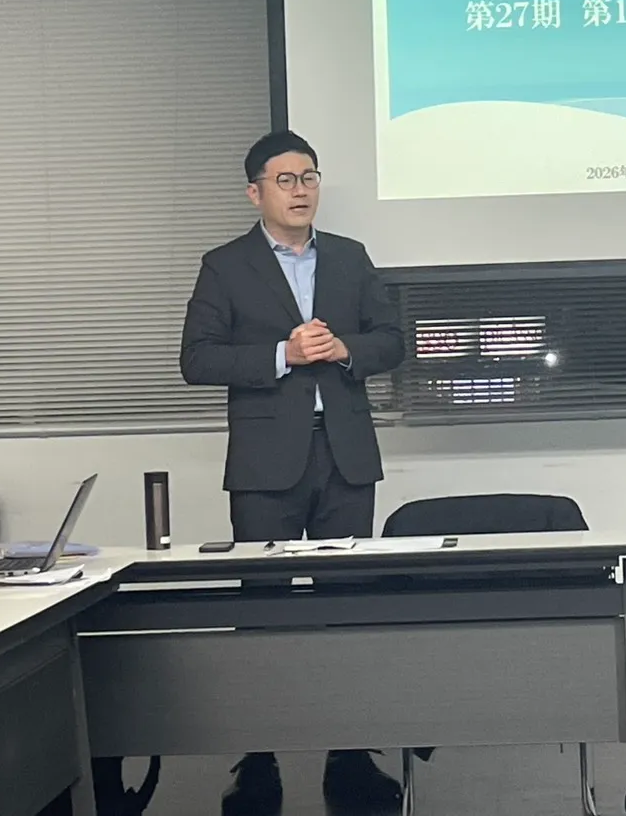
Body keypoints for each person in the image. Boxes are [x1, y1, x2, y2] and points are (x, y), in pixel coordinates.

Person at [181, 130, 406, 816]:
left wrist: (344, 349)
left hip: (344, 457)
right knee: (263, 609)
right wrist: (283, 353)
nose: (301, 190)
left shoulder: (349, 257)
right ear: (255, 193)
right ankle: (257, 757)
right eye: (285, 179)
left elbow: (392, 341)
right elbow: (197, 359)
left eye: (309, 176)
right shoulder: (225, 266)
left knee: (350, 606)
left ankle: (351, 753)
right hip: (265, 464)